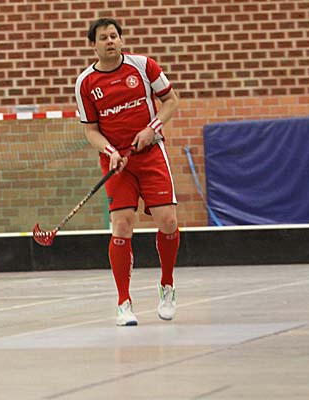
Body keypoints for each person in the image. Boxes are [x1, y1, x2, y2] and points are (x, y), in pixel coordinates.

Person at [75, 18, 180, 326]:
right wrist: (110, 152)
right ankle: (124, 302)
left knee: (168, 221)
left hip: (150, 154)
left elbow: (171, 101)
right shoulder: (85, 83)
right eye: (103, 38)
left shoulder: (144, 66)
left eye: (114, 36)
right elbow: (91, 130)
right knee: (121, 225)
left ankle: (167, 285)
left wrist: (151, 128)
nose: (110, 41)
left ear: (121, 40)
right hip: (116, 162)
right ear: (93, 45)